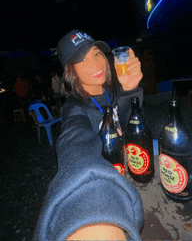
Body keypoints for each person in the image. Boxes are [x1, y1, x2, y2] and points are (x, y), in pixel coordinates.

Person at [33, 29, 144, 241]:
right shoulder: (74, 109)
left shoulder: (111, 92)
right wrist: (89, 201)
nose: (95, 64)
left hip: (126, 171)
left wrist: (130, 90)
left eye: (96, 53)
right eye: (81, 60)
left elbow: (127, 124)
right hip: (106, 183)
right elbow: (74, 144)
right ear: (71, 71)